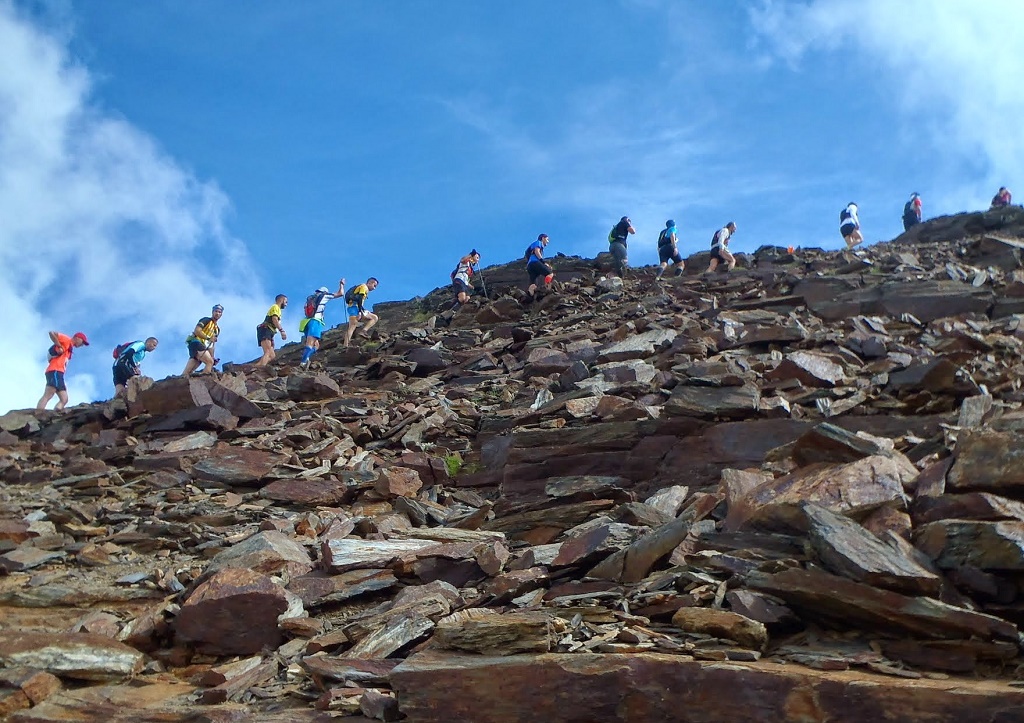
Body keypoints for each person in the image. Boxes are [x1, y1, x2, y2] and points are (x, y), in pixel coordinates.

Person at [36, 331, 89, 411]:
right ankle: (38, 413)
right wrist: (59, 345)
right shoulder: (67, 340)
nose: (82, 345)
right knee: (49, 393)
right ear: (77, 338)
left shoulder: (70, 347)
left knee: (64, 399)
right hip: (55, 370)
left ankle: (55, 414)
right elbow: (52, 333)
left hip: (59, 373)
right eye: (83, 342)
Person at [299, 280, 345, 369]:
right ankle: (303, 362)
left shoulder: (309, 299)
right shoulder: (324, 295)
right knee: (310, 343)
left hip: (306, 322)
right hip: (315, 321)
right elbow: (340, 293)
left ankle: (307, 357)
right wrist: (341, 285)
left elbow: (305, 309)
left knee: (316, 345)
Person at [182, 305, 223, 376]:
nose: (217, 313)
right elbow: (197, 331)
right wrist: (208, 338)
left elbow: (211, 345)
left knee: (188, 372)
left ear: (221, 314)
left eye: (219, 312)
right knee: (209, 362)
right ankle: (205, 380)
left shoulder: (217, 330)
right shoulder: (206, 320)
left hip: (203, 347)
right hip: (196, 342)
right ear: (212, 312)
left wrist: (213, 357)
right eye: (216, 311)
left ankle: (180, 381)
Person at [343, 278, 379, 347]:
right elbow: (359, 298)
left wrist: (362, 310)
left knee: (374, 317)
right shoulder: (364, 287)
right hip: (354, 308)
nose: (374, 288)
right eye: (374, 285)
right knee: (352, 326)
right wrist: (360, 311)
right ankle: (346, 345)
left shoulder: (363, 287)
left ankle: (363, 331)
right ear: (370, 283)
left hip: (356, 308)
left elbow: (359, 300)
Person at [256, 294, 288, 367]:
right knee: (267, 351)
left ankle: (256, 366)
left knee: (272, 356)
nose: (286, 304)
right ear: (281, 300)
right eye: (286, 302)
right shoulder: (276, 307)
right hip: (265, 329)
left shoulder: (277, 309)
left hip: (269, 331)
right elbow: (274, 319)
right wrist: (282, 331)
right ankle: (260, 368)